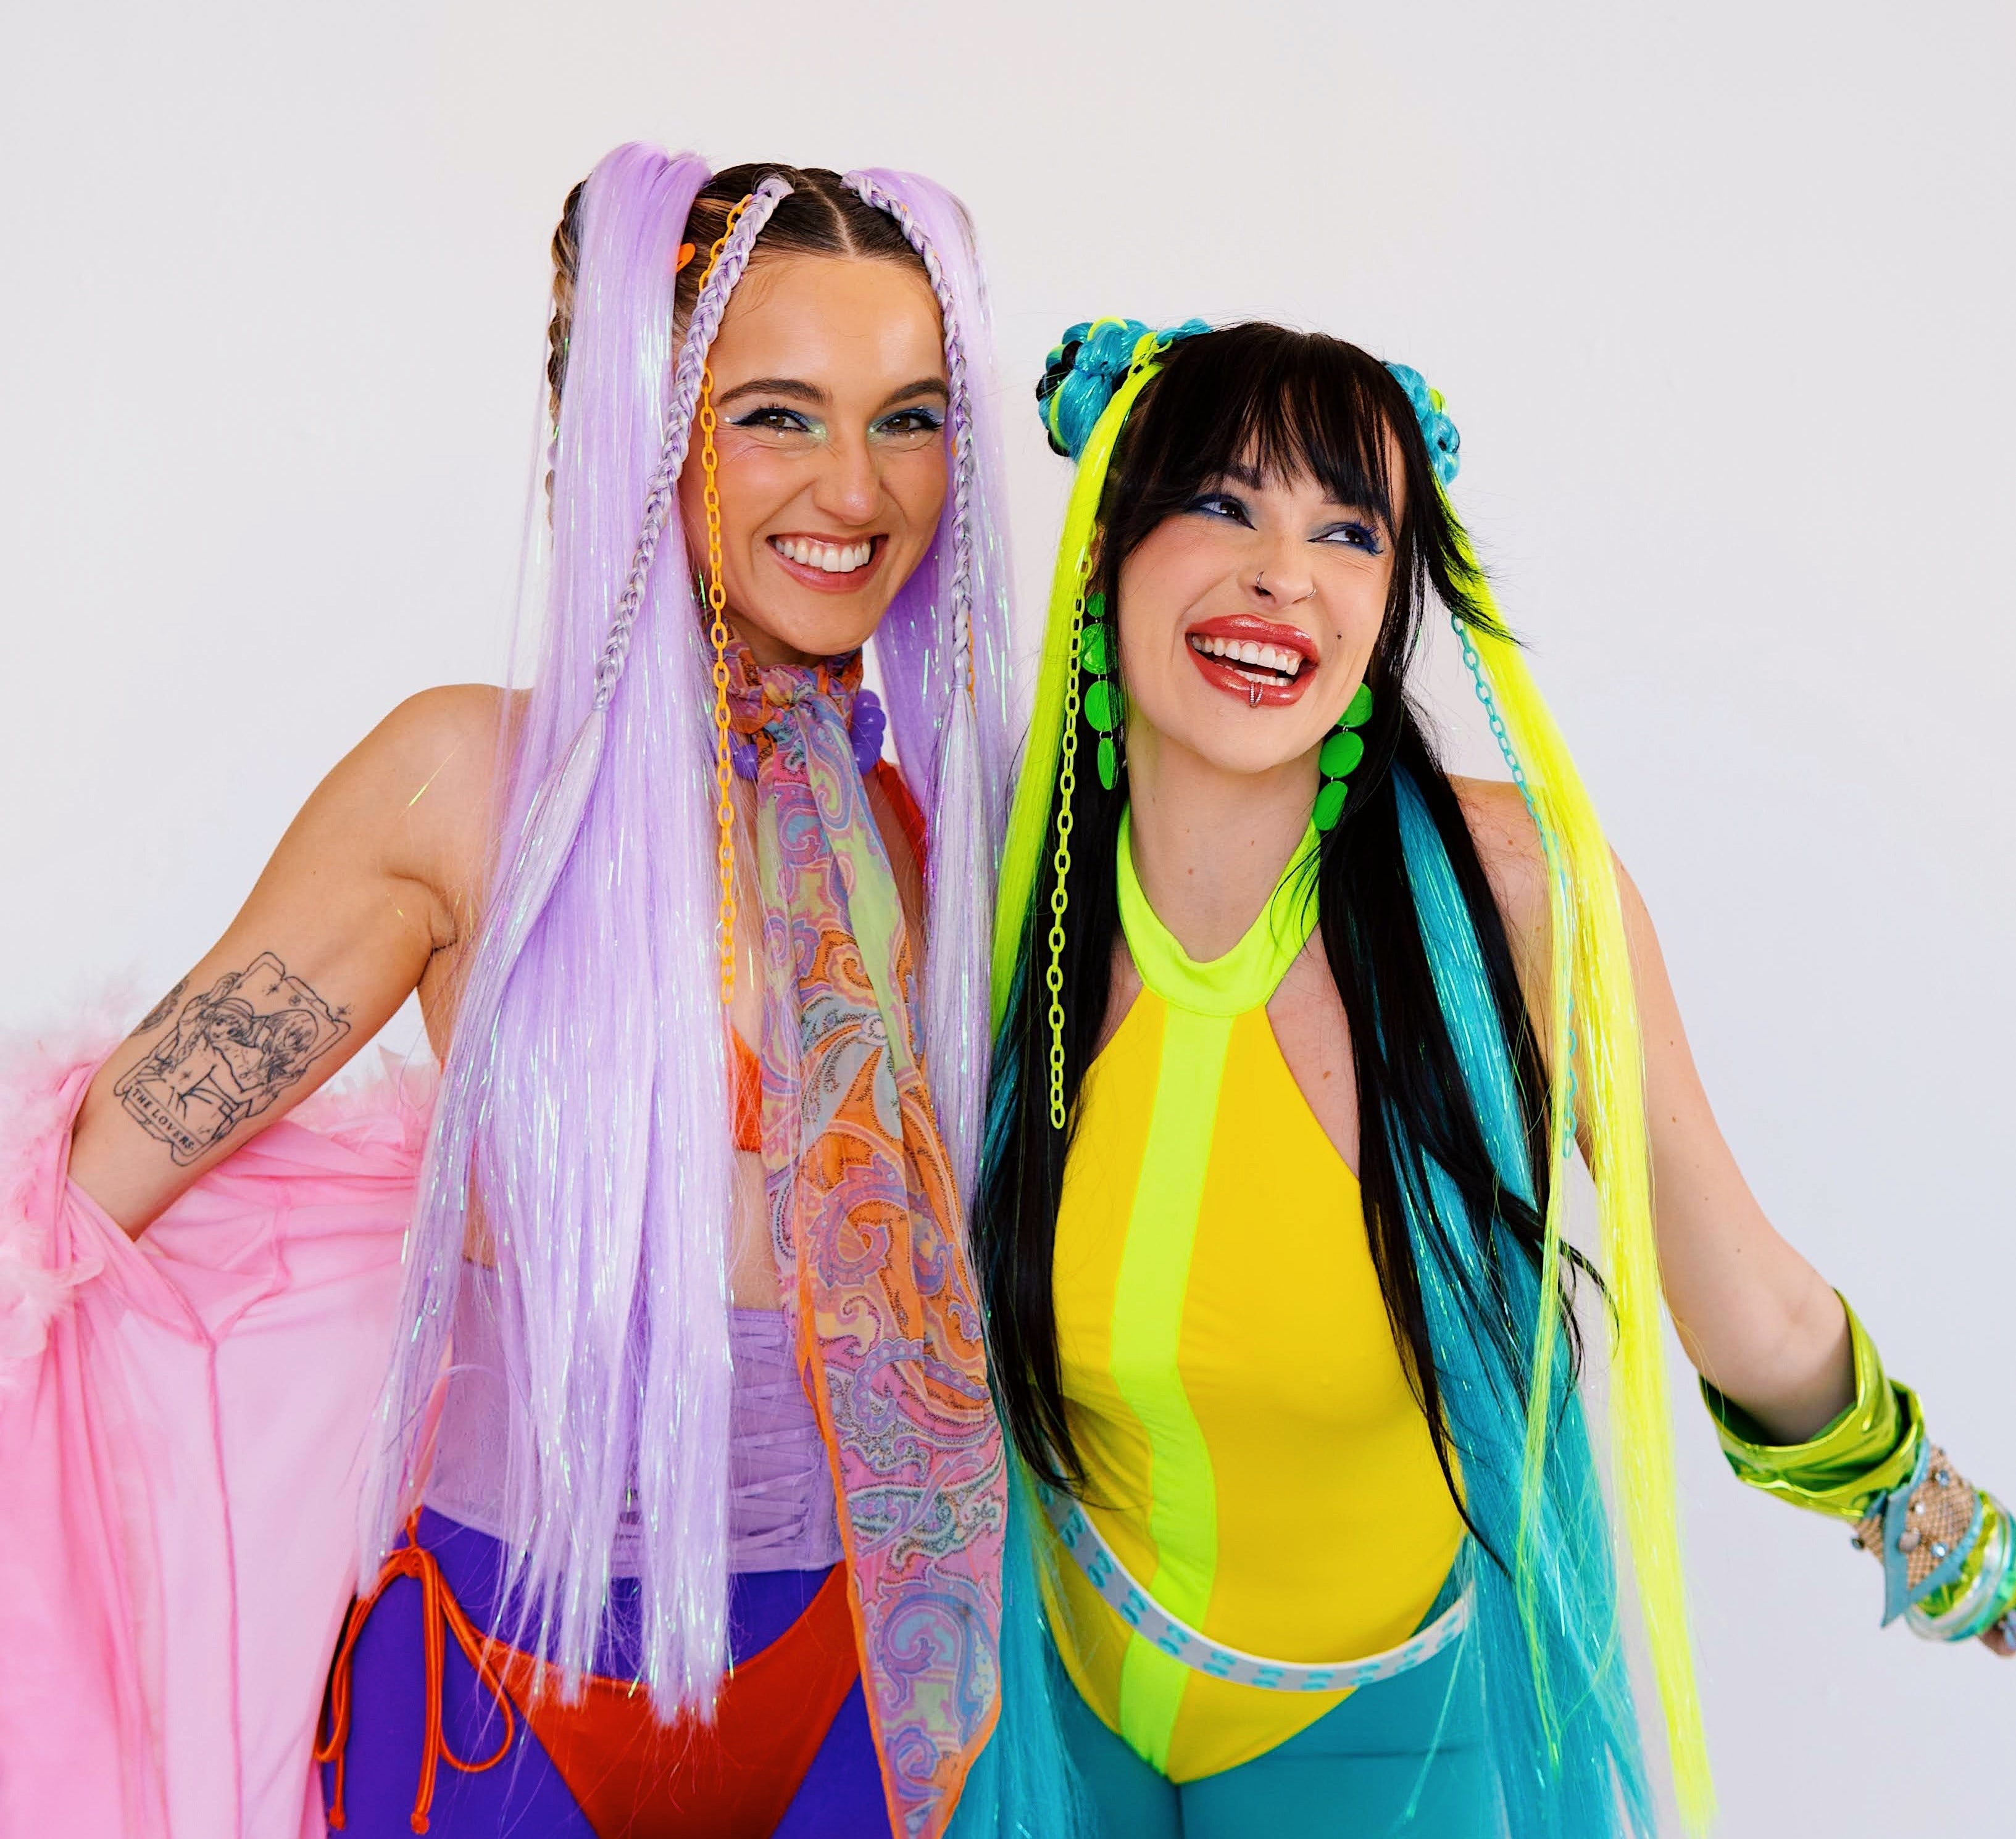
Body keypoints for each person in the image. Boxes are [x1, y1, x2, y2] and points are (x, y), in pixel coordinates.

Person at [0, 147, 1077, 1839]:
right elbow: (73, 1203)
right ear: (642, 427)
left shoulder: (934, 823)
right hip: (504, 1691)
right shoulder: (468, 782)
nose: (856, 488)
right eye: (777, 414)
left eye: (909, 417)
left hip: (869, 1693)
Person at [977, 317, 2015, 1838]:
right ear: (1106, 549)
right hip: (1038, 1712)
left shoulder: (1516, 897)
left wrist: (1968, 1555)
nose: (1283, 573)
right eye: (1219, 501)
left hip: (1383, 1738)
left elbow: (1746, 1301)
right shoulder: (994, 883)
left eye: (1348, 530)